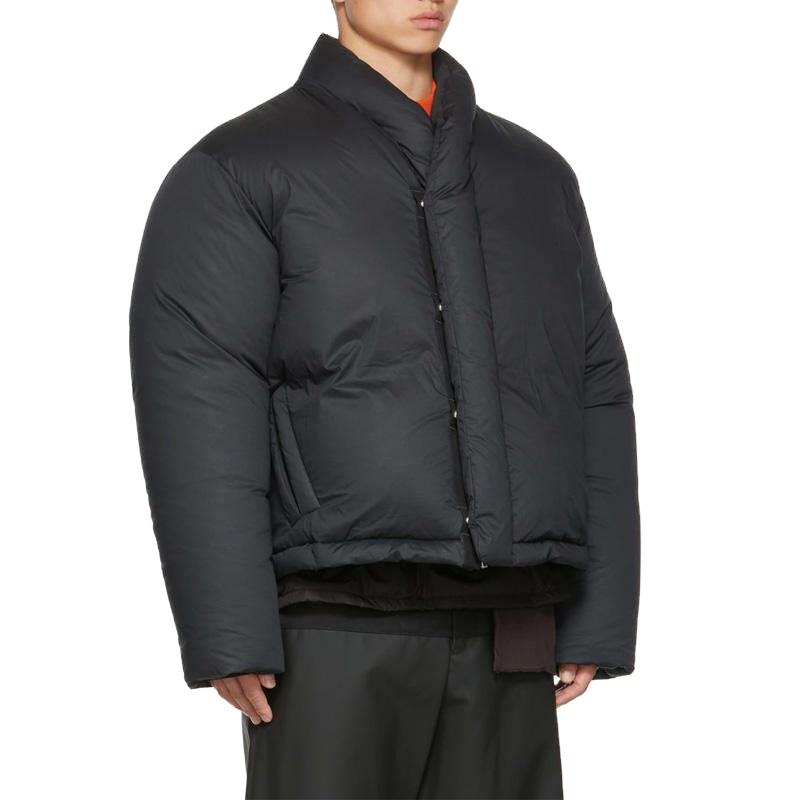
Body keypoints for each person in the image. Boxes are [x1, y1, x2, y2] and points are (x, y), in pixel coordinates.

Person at [129, 1, 640, 797]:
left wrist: (598, 614)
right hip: (332, 622)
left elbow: (594, 387)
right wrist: (228, 627)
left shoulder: (535, 176)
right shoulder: (242, 167)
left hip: (512, 619)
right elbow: (198, 394)